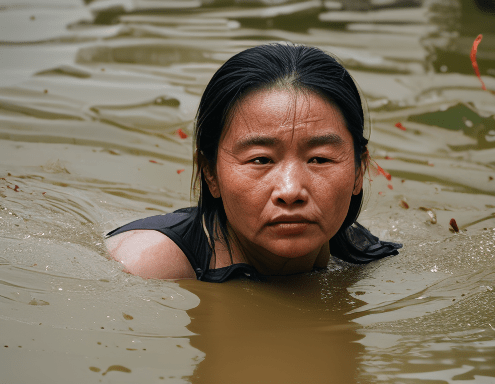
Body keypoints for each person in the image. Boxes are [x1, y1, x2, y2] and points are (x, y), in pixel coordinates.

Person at [105, 43, 401, 283]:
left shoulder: (365, 254)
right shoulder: (147, 268)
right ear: (210, 173)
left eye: (319, 159)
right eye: (261, 159)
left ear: (358, 171)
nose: (290, 190)